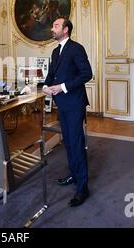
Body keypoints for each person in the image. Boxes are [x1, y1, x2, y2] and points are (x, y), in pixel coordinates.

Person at [42, 16, 93, 207]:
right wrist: (46, 86)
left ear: (65, 30)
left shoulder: (76, 48)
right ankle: (73, 175)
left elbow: (86, 74)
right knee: (69, 143)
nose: (52, 28)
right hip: (62, 105)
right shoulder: (55, 52)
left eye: (55, 25)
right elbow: (51, 75)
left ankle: (83, 188)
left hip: (74, 104)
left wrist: (62, 87)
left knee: (77, 143)